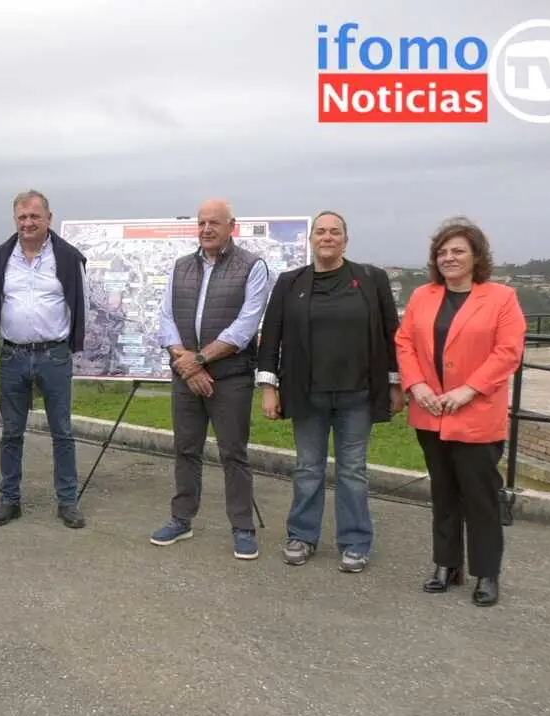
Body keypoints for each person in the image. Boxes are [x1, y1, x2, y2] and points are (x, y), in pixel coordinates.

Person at [255, 210, 403, 572]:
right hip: (308, 395)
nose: (327, 237)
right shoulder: (290, 283)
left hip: (358, 395)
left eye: (335, 232)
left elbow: (392, 335)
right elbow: (270, 337)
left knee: (353, 471)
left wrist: (395, 383)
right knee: (308, 469)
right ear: (311, 239)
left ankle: (355, 542)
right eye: (320, 231)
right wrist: (268, 388)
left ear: (345, 240)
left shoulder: (371, 279)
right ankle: (302, 535)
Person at [395, 217, 525, 607]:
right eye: (442, 252)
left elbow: (508, 352)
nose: (448, 257)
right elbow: (405, 343)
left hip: (476, 413)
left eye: (458, 251)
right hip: (431, 410)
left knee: (480, 497)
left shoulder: (502, 298)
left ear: (476, 256)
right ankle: (446, 564)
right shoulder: (422, 296)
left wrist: (468, 390)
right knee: (443, 492)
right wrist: (416, 385)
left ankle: (487, 572)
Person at [151, 198, 271, 560]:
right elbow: (166, 319)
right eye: (201, 222)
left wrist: (199, 360)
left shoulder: (253, 266)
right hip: (186, 375)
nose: (206, 229)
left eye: (214, 223)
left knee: (233, 453)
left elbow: (245, 326)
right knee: (186, 449)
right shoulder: (181, 267)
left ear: (231, 226)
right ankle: (181, 519)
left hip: (230, 377)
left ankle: (243, 527)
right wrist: (188, 365)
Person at [0, 189, 89, 529]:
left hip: (53, 355)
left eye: (34, 216)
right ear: (15, 219)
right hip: (13, 355)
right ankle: (9, 500)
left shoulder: (68, 257)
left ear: (48, 218)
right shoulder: (2, 256)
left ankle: (68, 501)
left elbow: (81, 304)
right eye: (22, 217)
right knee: (11, 433)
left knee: (63, 432)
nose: (28, 223)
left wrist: (72, 346)